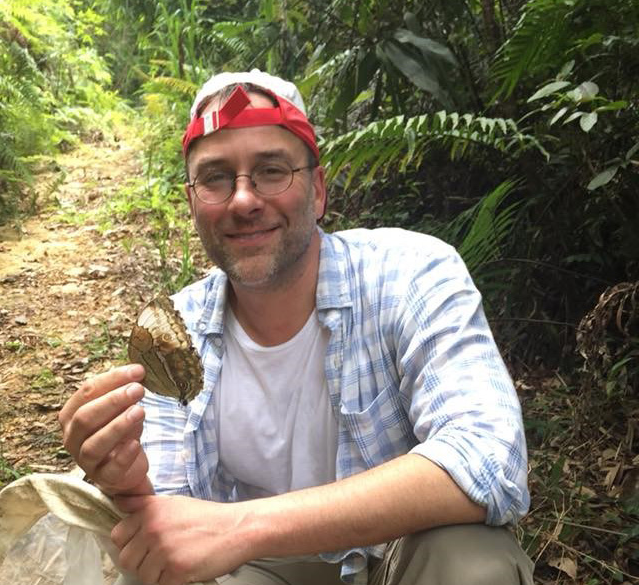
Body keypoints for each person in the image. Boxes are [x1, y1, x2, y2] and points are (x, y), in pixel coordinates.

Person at [59, 70, 534, 585]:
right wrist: (128, 483)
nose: (243, 200)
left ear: (318, 191)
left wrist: (242, 527)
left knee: (471, 560)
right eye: (216, 177)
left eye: (271, 171)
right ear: (194, 202)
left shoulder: (409, 274)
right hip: (265, 571)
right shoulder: (172, 334)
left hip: (395, 554)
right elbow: (172, 529)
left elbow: (489, 460)